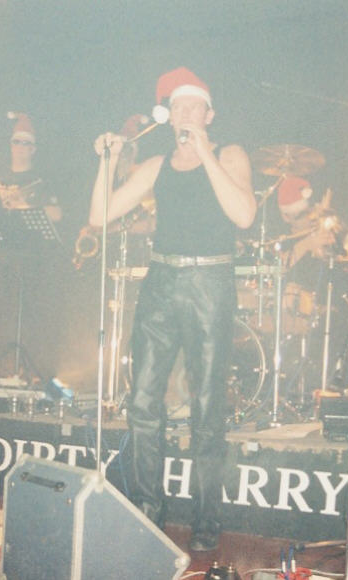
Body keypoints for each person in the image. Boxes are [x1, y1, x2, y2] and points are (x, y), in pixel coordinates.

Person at [89, 66, 256, 552]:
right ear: (168, 114)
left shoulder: (229, 154)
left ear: (209, 114)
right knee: (143, 399)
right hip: (161, 282)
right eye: (177, 106)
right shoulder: (157, 164)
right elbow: (100, 215)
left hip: (210, 282)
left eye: (193, 106)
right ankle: (148, 507)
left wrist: (205, 153)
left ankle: (205, 518)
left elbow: (244, 215)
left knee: (207, 404)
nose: (184, 113)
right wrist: (107, 162)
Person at [0, 113, 62, 381]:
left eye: (26, 143)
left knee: (30, 319)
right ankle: (3, 372)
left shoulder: (42, 180)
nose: (20, 147)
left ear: (34, 149)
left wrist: (23, 204)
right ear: (10, 145)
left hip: (31, 259)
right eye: (16, 142)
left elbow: (57, 213)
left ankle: (31, 372)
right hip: (0, 256)